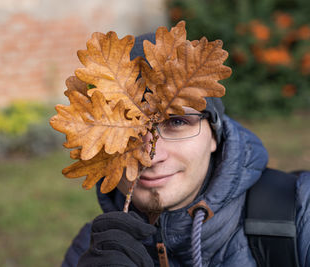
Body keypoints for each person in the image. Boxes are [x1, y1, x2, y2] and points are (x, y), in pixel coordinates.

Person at [61, 33, 310, 267]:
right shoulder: (88, 250)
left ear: (215, 135)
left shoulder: (300, 215)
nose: (150, 156)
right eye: (129, 134)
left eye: (177, 122)